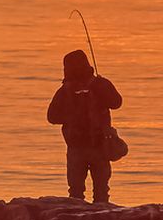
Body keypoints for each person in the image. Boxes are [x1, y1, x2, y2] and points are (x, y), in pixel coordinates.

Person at [45, 49, 123, 202]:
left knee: (75, 193)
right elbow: (117, 103)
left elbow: (51, 117)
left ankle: (77, 219)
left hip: (76, 148)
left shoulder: (64, 91)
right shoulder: (100, 84)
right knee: (101, 191)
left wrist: (71, 116)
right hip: (99, 146)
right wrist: (102, 86)